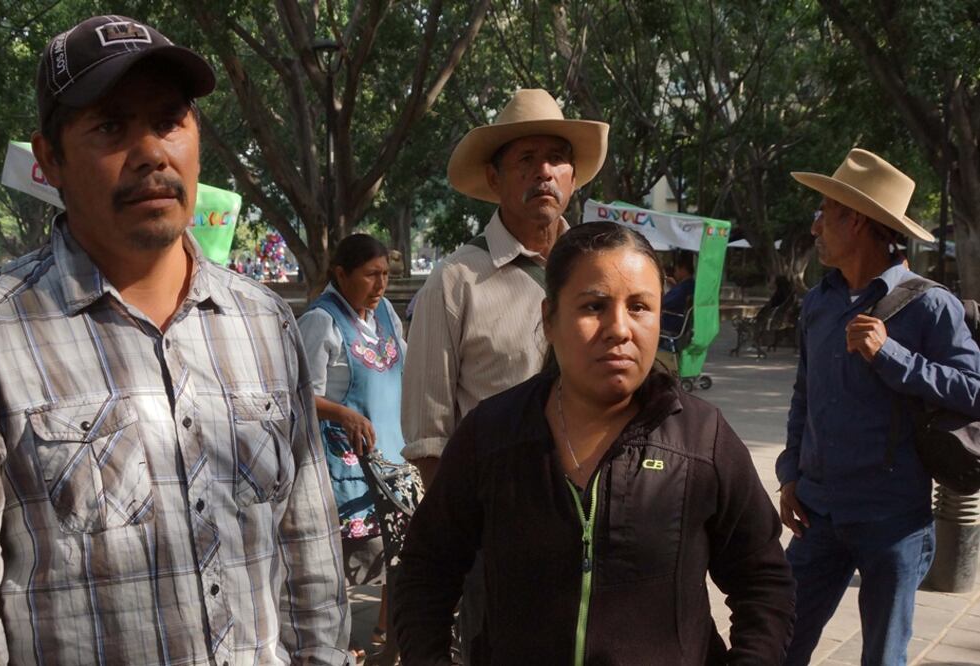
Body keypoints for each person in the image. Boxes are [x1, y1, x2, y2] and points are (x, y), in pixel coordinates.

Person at [0, 15, 351, 665]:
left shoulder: (264, 325)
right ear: (48, 158)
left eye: (169, 120)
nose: (150, 152)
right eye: (111, 126)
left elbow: (309, 556)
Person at [394, 221, 796, 665]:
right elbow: (424, 572)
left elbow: (763, 584)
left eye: (640, 307)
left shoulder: (703, 440)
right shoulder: (492, 436)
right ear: (549, 318)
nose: (619, 329)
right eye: (594, 306)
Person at [400, 89, 608, 661]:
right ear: (494, 179)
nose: (544, 172)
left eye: (556, 158)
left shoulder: (599, 268)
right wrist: (469, 537)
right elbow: (428, 433)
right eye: (525, 159)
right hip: (498, 528)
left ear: (573, 175)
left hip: (601, 521)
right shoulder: (455, 282)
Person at [776, 148, 980, 665]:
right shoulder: (819, 301)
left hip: (892, 521)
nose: (816, 225)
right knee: (778, 641)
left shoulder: (931, 304)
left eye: (824, 212)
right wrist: (789, 474)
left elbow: (973, 390)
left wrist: (890, 355)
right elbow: (805, 393)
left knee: (883, 658)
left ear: (856, 220)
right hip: (817, 512)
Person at [298, 233, 408, 658]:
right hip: (343, 465)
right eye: (371, 275)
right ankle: (342, 644)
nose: (381, 286)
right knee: (340, 565)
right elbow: (299, 392)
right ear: (341, 274)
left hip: (392, 457)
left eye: (385, 275)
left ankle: (387, 635)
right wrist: (343, 413)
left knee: (401, 555)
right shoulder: (321, 321)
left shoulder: (387, 318)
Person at [661, 250, 695, 334]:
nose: (675, 273)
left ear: (683, 270)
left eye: (676, 270)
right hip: (679, 322)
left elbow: (663, 303)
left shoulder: (682, 289)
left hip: (670, 323)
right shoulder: (690, 285)